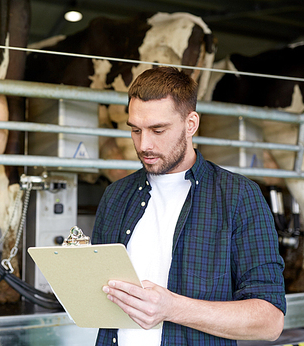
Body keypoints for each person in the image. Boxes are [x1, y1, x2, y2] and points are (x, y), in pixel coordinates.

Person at [91, 66, 286, 346]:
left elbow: (269, 321)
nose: (144, 144)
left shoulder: (238, 196)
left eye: (158, 130)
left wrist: (172, 308)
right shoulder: (116, 195)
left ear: (191, 123)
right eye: (135, 130)